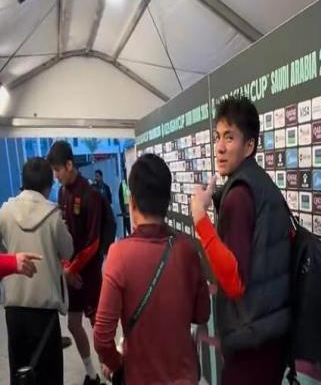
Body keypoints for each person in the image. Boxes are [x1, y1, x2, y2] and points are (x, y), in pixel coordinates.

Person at [191, 96, 291, 385]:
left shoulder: (239, 195)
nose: (220, 148)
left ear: (249, 146)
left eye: (230, 137)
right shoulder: (259, 183)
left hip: (251, 340)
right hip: (269, 335)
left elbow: (233, 282)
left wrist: (200, 219)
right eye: (217, 137)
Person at [94, 154, 210, 384]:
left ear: (132, 201)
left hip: (139, 377)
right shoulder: (187, 250)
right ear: (168, 201)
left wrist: (118, 365)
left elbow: (102, 338)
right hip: (184, 376)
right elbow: (201, 314)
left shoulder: (118, 255)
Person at [0, 157, 74, 385]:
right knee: (49, 375)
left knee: (20, 374)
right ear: (48, 186)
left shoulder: (5, 211)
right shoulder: (53, 215)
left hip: (14, 309)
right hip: (45, 312)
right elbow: (68, 250)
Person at [47, 141, 103, 385]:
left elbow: (94, 242)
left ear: (69, 165)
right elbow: (63, 233)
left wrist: (72, 268)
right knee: (72, 323)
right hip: (71, 274)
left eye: (57, 170)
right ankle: (92, 374)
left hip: (89, 275)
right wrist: (65, 267)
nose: (55, 176)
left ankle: (111, 371)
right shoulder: (62, 193)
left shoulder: (91, 195)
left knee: (99, 328)